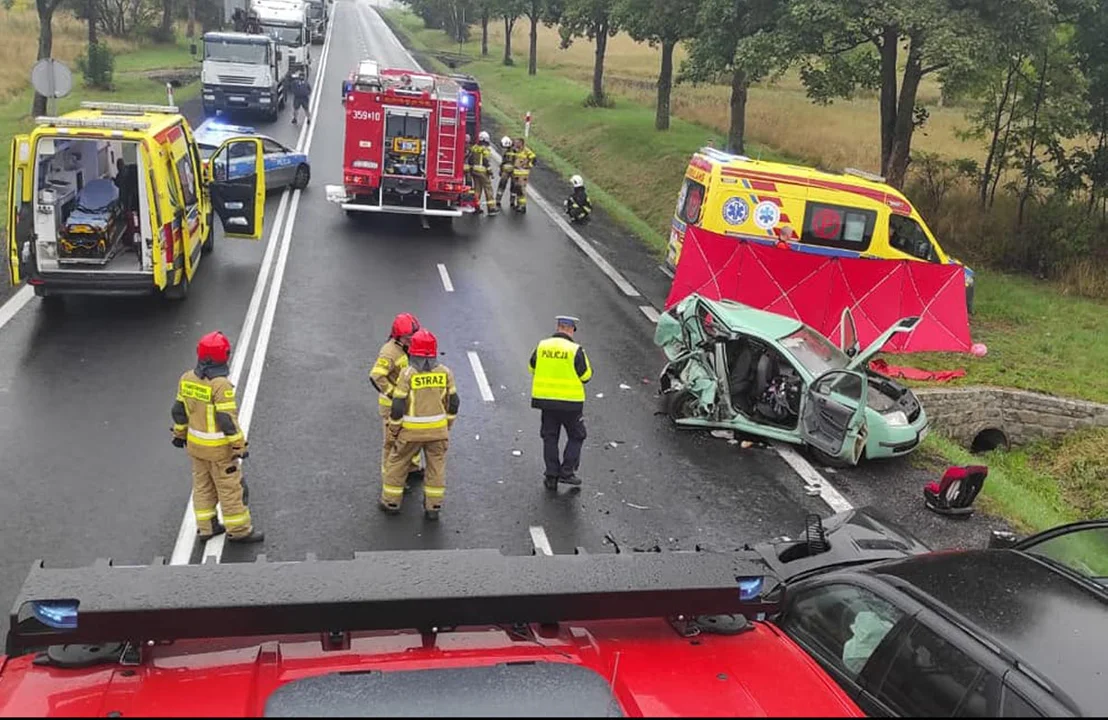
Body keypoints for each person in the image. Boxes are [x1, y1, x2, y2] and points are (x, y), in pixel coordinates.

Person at [171, 331, 264, 543]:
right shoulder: (220, 385)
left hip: (195, 448)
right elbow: (226, 420)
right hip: (219, 450)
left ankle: (206, 527)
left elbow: (178, 410)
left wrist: (179, 434)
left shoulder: (186, 378)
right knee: (230, 489)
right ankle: (239, 531)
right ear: (224, 355)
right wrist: (240, 446)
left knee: (203, 486)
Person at [380, 329, 459, 520]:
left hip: (410, 433)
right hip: (438, 433)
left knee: (397, 464)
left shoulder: (408, 374)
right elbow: (454, 402)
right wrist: (446, 425)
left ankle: (391, 502)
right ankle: (433, 506)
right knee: (436, 468)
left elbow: (398, 406)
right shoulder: (445, 372)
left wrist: (394, 428)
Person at [529, 316, 592, 490]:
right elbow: (586, 376)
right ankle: (567, 472)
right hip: (570, 404)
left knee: (550, 437)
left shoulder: (542, 346)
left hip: (546, 402)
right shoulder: (576, 349)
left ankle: (551, 476)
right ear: (571, 330)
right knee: (577, 435)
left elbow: (531, 367)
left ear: (558, 327)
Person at [370, 313, 424, 491]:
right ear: (398, 336)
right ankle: (391, 478)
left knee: (410, 439)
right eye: (409, 337)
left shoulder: (408, 347)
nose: (412, 340)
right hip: (392, 407)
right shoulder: (389, 352)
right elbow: (376, 376)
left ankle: (412, 468)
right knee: (392, 443)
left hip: (409, 404)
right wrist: (395, 395)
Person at [467, 131, 496, 215]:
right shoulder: (485, 149)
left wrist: (471, 168)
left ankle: (476, 207)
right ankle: (491, 209)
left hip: (474, 171)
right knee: (488, 189)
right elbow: (486, 161)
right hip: (483, 172)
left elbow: (470, 159)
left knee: (477, 190)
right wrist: (490, 171)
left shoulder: (474, 147)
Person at [511, 138, 536, 213]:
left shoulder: (526, 151)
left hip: (523, 174)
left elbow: (534, 159)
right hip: (516, 173)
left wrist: (529, 166)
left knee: (522, 189)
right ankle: (519, 204)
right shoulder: (516, 150)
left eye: (517, 143)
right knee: (518, 189)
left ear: (521, 143)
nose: (515, 144)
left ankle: (523, 206)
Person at [495, 136, 516, 210]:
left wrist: (501, 170)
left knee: (507, 186)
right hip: (512, 171)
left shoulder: (512, 151)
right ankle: (511, 202)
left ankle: (498, 200)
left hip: (511, 171)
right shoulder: (513, 150)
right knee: (506, 185)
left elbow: (503, 162)